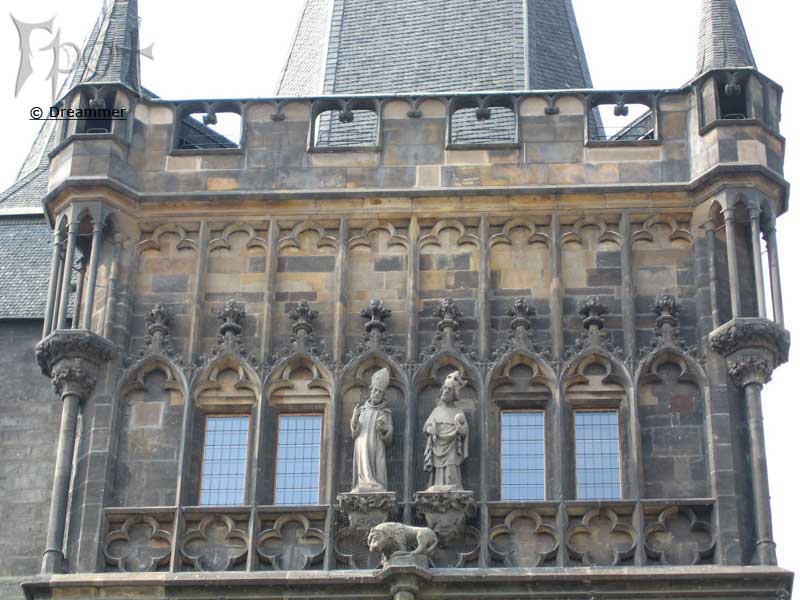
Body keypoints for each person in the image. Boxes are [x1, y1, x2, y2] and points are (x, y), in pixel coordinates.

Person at [423, 371, 469, 491]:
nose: (445, 391)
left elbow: (465, 431)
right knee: (437, 468)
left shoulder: (458, 412)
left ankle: (453, 486)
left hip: (452, 446)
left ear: (454, 393)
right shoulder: (437, 410)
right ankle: (437, 486)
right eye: (444, 388)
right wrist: (430, 429)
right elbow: (426, 427)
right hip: (437, 445)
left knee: (451, 466)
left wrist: (461, 430)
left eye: (448, 389)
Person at [350, 368, 393, 493]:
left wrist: (384, 429)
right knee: (363, 463)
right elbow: (355, 430)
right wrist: (354, 418)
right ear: (370, 390)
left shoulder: (385, 412)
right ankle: (364, 483)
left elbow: (389, 435)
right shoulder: (362, 410)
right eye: (375, 390)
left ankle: (376, 484)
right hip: (362, 442)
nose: (377, 393)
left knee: (379, 464)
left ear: (383, 395)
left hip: (377, 444)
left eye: (380, 392)